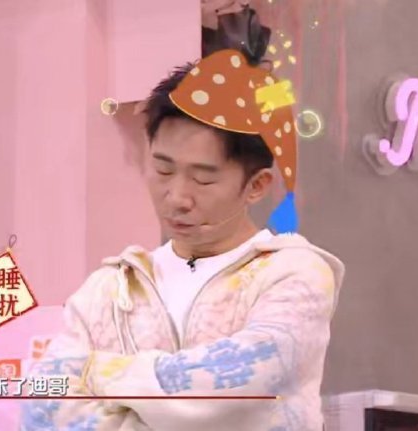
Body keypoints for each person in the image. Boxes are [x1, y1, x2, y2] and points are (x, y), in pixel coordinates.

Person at [21, 48, 345, 431]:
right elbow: (42, 409)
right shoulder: (108, 289)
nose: (176, 197)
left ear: (256, 186)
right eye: (163, 170)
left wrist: (94, 372)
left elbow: (244, 389)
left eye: (203, 178)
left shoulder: (294, 274)